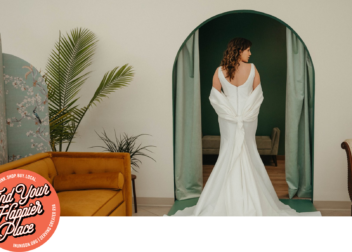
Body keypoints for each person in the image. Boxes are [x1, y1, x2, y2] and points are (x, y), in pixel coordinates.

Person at [166, 38, 322, 216]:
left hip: (228, 118)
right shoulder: (253, 69)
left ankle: (228, 198)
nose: (250, 53)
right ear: (238, 50)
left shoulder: (219, 71)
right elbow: (257, 96)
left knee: (232, 150)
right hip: (247, 117)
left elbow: (215, 96)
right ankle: (249, 197)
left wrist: (231, 113)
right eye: (247, 50)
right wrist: (244, 114)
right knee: (246, 150)